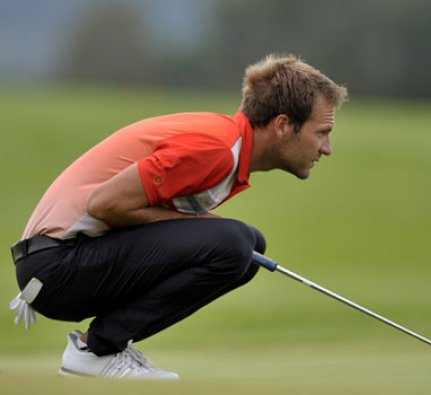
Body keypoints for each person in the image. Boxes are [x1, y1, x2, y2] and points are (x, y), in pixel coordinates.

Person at [9, 54, 347, 379]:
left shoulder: (229, 148)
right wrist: (208, 229)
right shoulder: (216, 148)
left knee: (248, 248)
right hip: (54, 267)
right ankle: (95, 351)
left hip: (68, 261)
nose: (327, 148)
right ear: (283, 125)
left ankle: (106, 347)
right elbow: (103, 204)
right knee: (236, 243)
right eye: (321, 132)